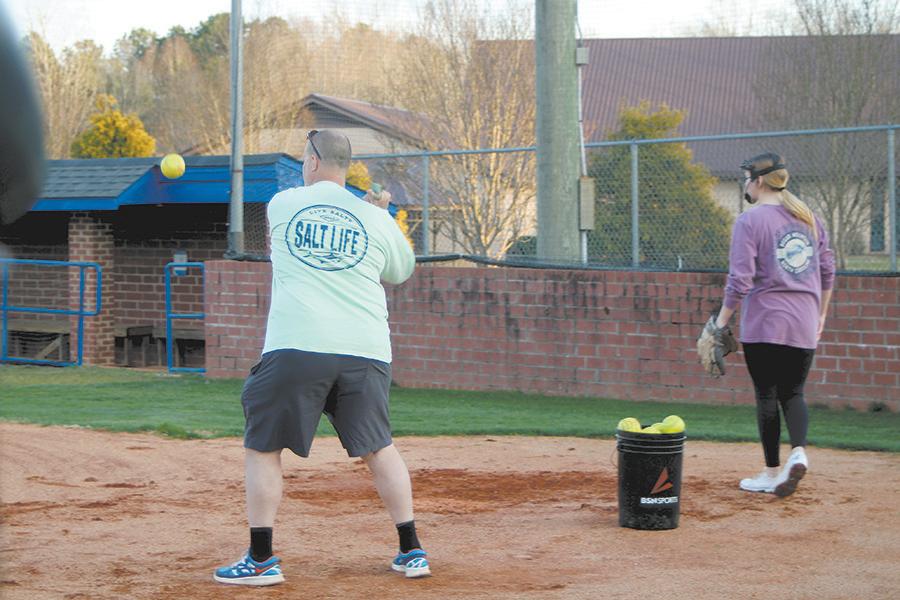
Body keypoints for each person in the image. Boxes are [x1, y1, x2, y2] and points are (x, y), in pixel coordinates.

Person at [214, 129, 428, 586]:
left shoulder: (283, 203)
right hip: (366, 350)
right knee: (379, 447)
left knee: (263, 446)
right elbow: (400, 271)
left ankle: (261, 559)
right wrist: (380, 215)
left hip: (298, 344)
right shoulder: (373, 217)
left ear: (312, 161)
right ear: (347, 166)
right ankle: (412, 550)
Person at [712, 152, 835, 497]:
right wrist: (821, 314)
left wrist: (720, 322)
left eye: (747, 178)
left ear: (759, 181)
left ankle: (770, 473)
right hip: (804, 320)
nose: (745, 184)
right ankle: (799, 453)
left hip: (765, 321)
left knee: (766, 394)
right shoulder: (810, 218)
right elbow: (828, 270)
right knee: (793, 393)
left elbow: (740, 280)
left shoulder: (749, 221)